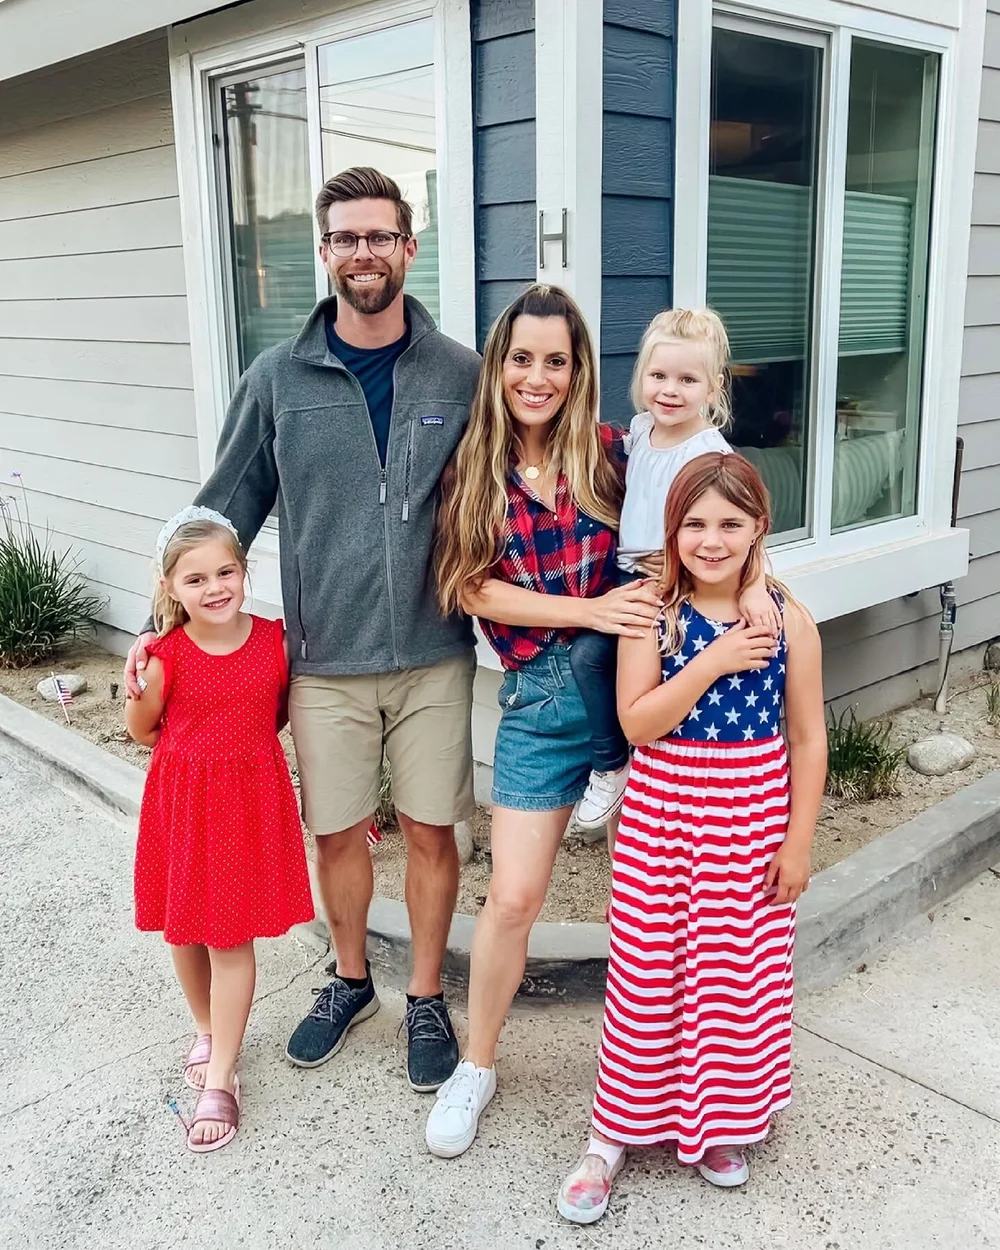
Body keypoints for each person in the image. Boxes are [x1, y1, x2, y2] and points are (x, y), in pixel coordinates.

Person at [124, 167, 482, 1094]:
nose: (364, 253)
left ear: (410, 246)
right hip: (324, 660)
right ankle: (352, 979)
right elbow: (220, 514)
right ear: (325, 254)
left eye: (381, 235)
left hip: (435, 650)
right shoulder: (277, 378)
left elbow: (507, 491)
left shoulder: (459, 372)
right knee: (338, 836)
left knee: (433, 831)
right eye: (345, 238)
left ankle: (429, 997)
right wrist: (154, 628)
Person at [424, 284, 662, 1159]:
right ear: (499, 365)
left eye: (555, 360)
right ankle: (477, 1065)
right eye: (521, 358)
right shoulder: (471, 467)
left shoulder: (610, 455)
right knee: (514, 898)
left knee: (665, 906)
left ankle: (681, 1077)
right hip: (536, 702)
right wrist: (591, 613)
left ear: (578, 369)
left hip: (633, 697)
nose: (537, 375)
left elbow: (695, 518)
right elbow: (470, 586)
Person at [557, 452, 827, 1223]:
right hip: (664, 823)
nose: (712, 540)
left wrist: (798, 842)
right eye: (695, 524)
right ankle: (611, 1138)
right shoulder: (652, 613)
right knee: (649, 975)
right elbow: (638, 723)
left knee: (733, 979)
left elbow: (807, 739)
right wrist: (712, 659)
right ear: (672, 532)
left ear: (758, 529)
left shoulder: (789, 619)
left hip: (751, 827)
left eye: (730, 524)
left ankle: (720, 1123)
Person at [126, 507, 314, 1153]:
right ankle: (206, 1027)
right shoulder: (164, 657)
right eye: (195, 579)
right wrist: (196, 756)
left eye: (226, 571)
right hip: (183, 800)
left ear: (244, 569)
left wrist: (241, 758)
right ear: (170, 589)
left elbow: (280, 711)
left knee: (229, 938)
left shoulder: (274, 641)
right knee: (185, 926)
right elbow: (141, 728)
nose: (214, 588)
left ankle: (224, 1076)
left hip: (247, 801)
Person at [570, 308, 780, 833]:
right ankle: (624, 761)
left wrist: (753, 583)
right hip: (624, 576)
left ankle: (611, 764)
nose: (670, 390)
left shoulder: (707, 451)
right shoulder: (641, 430)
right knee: (596, 659)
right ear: (641, 378)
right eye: (658, 376)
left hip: (668, 580)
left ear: (712, 388)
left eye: (688, 379)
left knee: (591, 657)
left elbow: (744, 524)